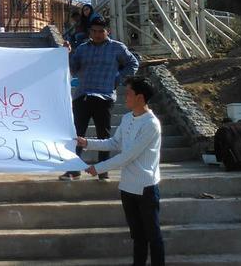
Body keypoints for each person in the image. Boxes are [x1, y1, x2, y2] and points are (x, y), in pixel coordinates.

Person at [78, 76, 165, 266]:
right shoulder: (127, 118)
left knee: (153, 236)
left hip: (146, 188)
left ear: (140, 98)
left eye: (128, 94)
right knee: (138, 236)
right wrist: (87, 143)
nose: (124, 97)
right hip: (127, 187)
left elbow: (128, 156)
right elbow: (114, 143)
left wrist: (98, 168)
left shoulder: (151, 124)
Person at [59, 16, 139, 181]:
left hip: (104, 96)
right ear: (90, 31)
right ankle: (73, 169)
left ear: (107, 31)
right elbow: (73, 69)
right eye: (94, 31)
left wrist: (118, 78)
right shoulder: (82, 49)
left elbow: (133, 63)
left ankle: (103, 170)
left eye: (100, 31)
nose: (97, 34)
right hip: (83, 96)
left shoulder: (117, 48)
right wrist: (66, 53)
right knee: (76, 134)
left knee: (104, 135)